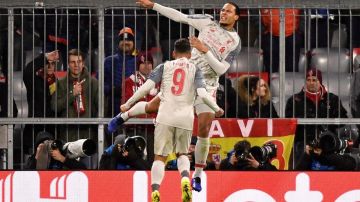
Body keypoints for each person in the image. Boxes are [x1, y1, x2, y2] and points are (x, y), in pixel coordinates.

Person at [109, 1, 241, 192]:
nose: (223, 13)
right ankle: (123, 116)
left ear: (236, 17)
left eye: (228, 11)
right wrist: (154, 5)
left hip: (209, 84)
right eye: (222, 10)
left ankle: (197, 176)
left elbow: (221, 68)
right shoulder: (207, 22)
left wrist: (205, 50)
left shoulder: (235, 42)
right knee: (152, 106)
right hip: (188, 75)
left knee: (204, 129)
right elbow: (179, 16)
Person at [285, 68, 348, 164]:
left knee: (345, 163)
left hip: (327, 143)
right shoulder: (294, 100)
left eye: (314, 80)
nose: (311, 83)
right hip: (302, 143)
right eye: (308, 80)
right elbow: (289, 125)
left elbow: (343, 120)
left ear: (320, 82)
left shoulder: (332, 99)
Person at [51, 49, 99, 142]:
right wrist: (72, 94)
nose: (76, 65)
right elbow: (55, 106)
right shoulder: (61, 83)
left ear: (83, 63)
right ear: (68, 64)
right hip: (67, 134)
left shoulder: (93, 82)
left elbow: (100, 107)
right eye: (73, 62)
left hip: (88, 133)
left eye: (79, 61)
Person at [23, 50, 59, 151]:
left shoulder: (58, 83)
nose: (51, 67)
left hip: (52, 129)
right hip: (35, 128)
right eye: (48, 64)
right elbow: (27, 71)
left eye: (53, 64)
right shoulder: (34, 80)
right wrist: (45, 58)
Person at [103, 27, 137, 117]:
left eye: (129, 40)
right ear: (118, 43)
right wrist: (112, 89)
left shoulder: (139, 61)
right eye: (122, 40)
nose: (125, 42)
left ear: (133, 43)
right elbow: (99, 83)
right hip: (113, 105)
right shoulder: (108, 61)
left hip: (135, 104)